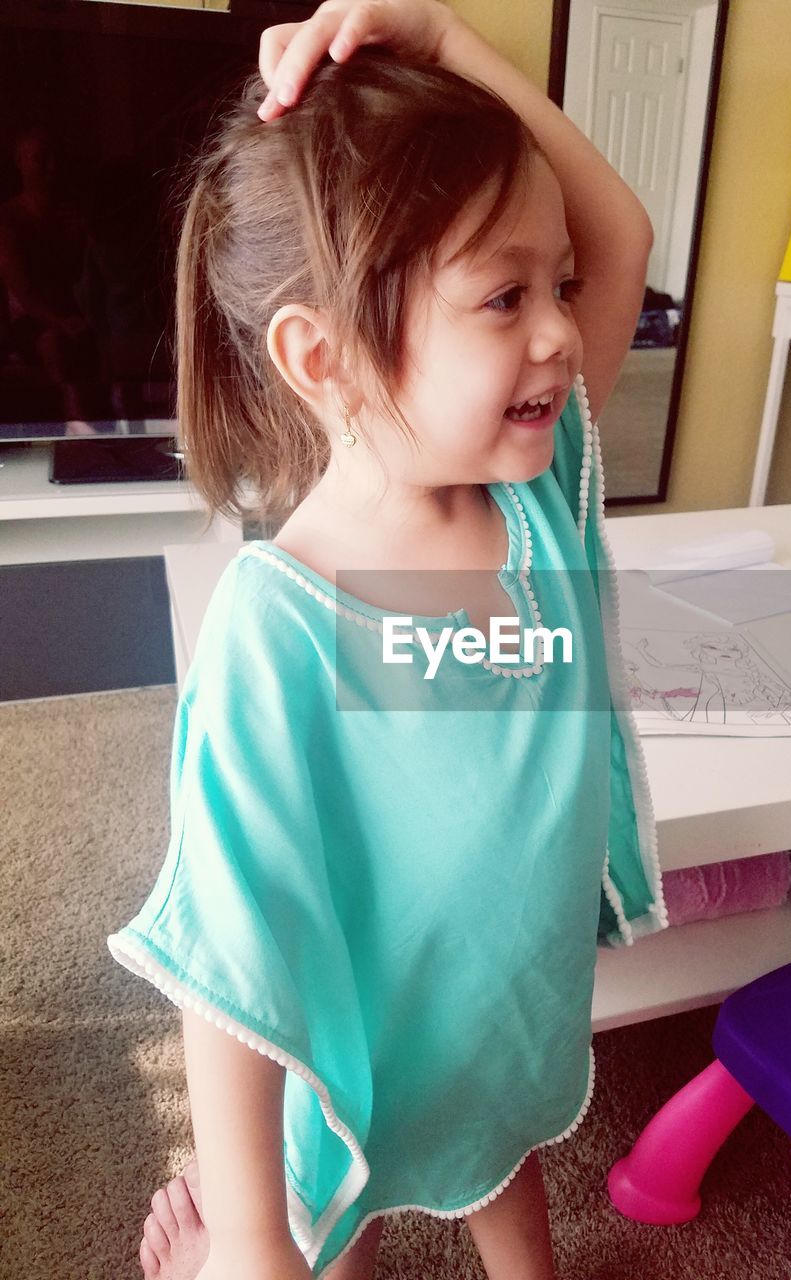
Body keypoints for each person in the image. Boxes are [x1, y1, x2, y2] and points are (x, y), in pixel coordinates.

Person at [107, 3, 665, 1278]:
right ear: (326, 357)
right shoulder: (280, 626)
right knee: (319, 1220)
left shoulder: (537, 477)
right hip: (349, 1027)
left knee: (499, 1156)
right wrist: (251, 1235)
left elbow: (620, 232)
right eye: (504, 296)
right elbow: (231, 947)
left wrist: (447, 41)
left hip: (502, 1013)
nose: (561, 330)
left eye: (557, 287)